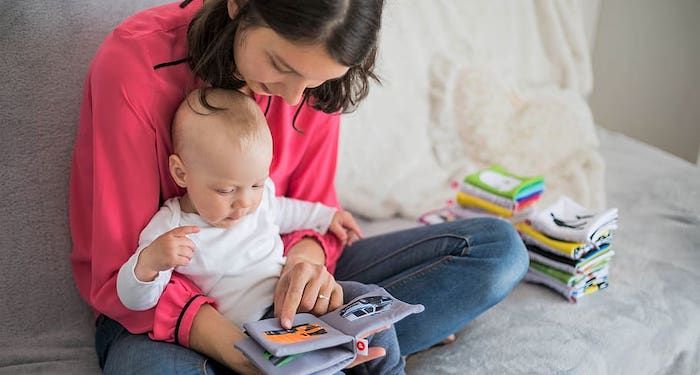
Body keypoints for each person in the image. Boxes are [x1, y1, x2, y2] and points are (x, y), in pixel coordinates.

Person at [70, 0, 529, 374]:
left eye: (318, 80)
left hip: (276, 282)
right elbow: (119, 270)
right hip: (161, 312)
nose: (293, 98)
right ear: (238, 5)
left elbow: (311, 209)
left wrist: (305, 271)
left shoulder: (311, 83)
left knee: (498, 251)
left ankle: (325, 354)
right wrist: (239, 349)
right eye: (279, 65)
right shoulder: (133, 67)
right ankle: (323, 359)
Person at [115, 88, 405, 373]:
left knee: (370, 301)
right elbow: (135, 299)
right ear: (181, 173)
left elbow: (286, 210)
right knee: (314, 366)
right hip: (258, 329)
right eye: (226, 190)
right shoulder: (172, 227)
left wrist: (327, 216)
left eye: (255, 184)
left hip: (295, 298)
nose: (244, 202)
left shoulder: (258, 198)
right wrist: (150, 263)